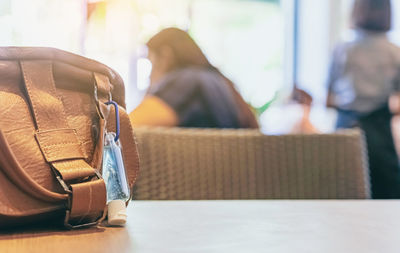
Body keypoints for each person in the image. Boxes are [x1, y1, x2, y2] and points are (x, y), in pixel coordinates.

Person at [326, 0, 400, 198]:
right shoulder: (394, 52)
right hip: (379, 127)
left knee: (339, 187)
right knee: (385, 191)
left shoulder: (343, 48)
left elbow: (328, 97)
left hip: (347, 124)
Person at [129, 27, 258, 129]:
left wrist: (151, 89)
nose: (149, 73)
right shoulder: (216, 79)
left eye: (151, 61)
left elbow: (128, 126)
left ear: (165, 56)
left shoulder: (186, 81)